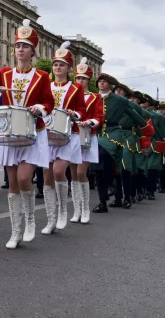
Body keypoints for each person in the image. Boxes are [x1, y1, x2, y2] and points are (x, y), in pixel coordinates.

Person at [0, 19, 54, 250]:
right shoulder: (4, 74)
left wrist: (41, 108)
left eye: (25, 46)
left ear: (32, 52)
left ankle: (29, 220)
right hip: (9, 133)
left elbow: (49, 101)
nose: (20, 49)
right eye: (18, 45)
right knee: (12, 183)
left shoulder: (41, 77)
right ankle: (15, 230)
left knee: (23, 178)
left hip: (32, 133)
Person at [42, 41, 86, 234]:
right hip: (48, 134)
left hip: (69, 134)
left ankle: (62, 210)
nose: (58, 67)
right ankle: (51, 218)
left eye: (61, 64)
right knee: (46, 176)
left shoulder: (75, 88)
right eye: (55, 64)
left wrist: (74, 114)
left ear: (69, 68)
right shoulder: (47, 85)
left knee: (59, 171)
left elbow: (82, 110)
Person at [91, 74, 149, 212]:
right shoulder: (93, 97)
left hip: (114, 135)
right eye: (99, 81)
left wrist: (147, 131)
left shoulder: (120, 101)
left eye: (104, 81)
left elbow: (135, 114)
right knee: (99, 169)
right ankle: (103, 200)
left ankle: (127, 196)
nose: (101, 83)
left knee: (122, 168)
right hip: (96, 133)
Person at [70, 58, 102, 224]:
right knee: (74, 174)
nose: (80, 81)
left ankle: (85, 209)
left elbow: (99, 116)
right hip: (71, 135)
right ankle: (76, 210)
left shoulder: (95, 97)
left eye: (83, 78)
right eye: (77, 78)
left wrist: (90, 122)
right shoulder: (70, 95)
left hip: (86, 134)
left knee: (82, 172)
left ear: (89, 80)